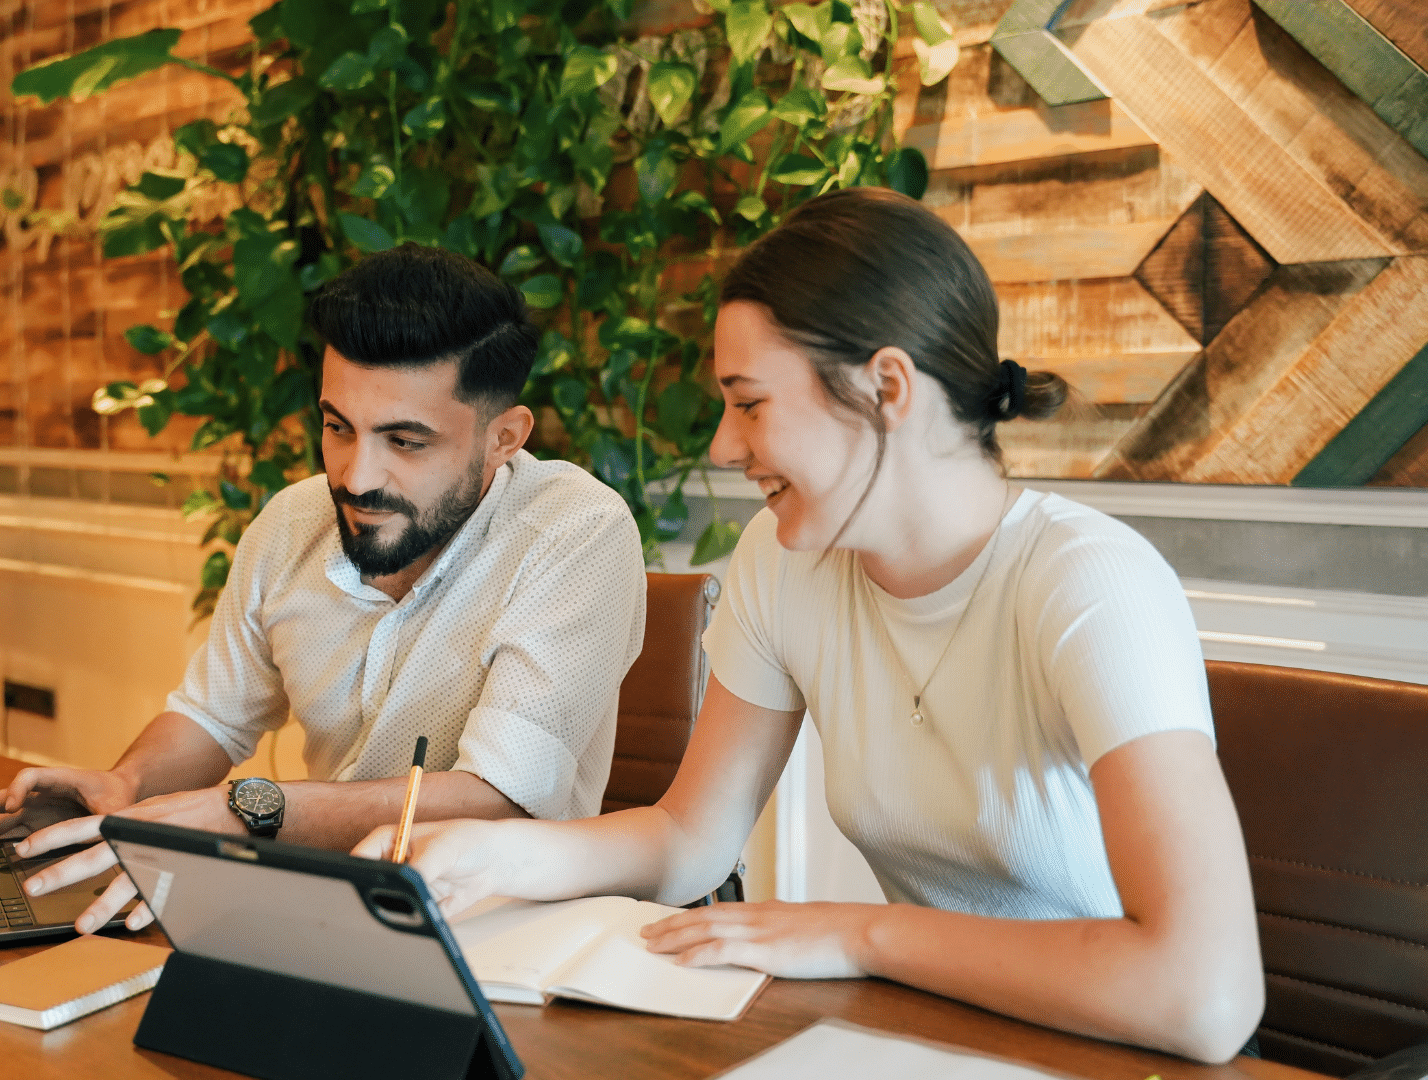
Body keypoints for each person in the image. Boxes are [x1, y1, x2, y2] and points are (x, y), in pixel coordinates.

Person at [357, 189, 1264, 1064]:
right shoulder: (785, 564)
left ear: (887, 388)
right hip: (935, 1038)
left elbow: (1205, 994)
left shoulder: (1090, 584)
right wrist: (489, 852)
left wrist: (859, 932)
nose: (721, 446)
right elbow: (687, 842)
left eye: (749, 403)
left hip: (1120, 1053)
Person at [0, 244, 647, 935]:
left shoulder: (575, 532)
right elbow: (213, 718)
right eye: (337, 427)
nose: (356, 476)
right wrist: (129, 785)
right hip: (314, 912)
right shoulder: (291, 524)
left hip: (505, 931)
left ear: (504, 438)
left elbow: (501, 801)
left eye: (405, 442)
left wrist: (251, 809)